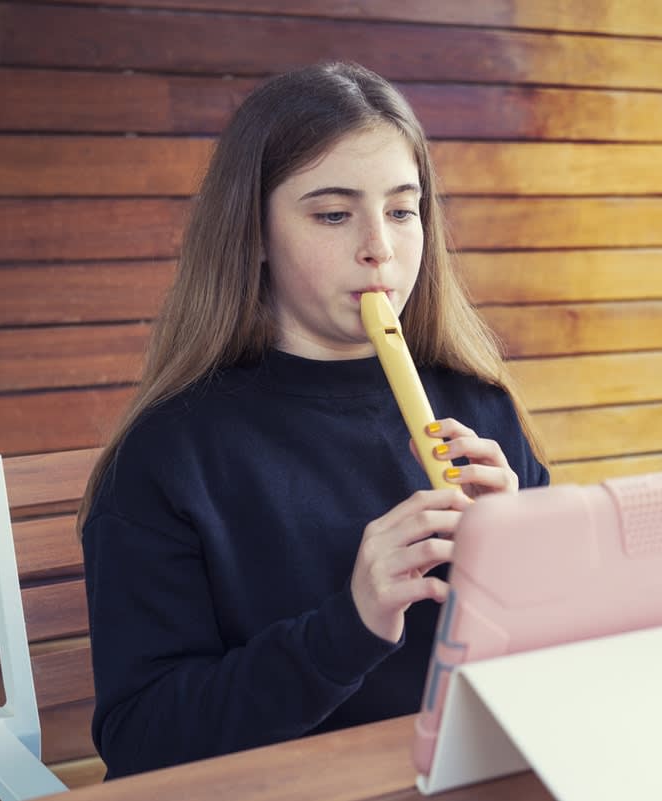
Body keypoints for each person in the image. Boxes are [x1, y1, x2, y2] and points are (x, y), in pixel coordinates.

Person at [78, 61, 549, 779]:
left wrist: (521, 559)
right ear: (255, 233)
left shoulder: (479, 406)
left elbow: (561, 659)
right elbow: (140, 736)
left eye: (401, 209)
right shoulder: (170, 457)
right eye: (333, 214)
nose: (380, 248)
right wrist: (347, 626)